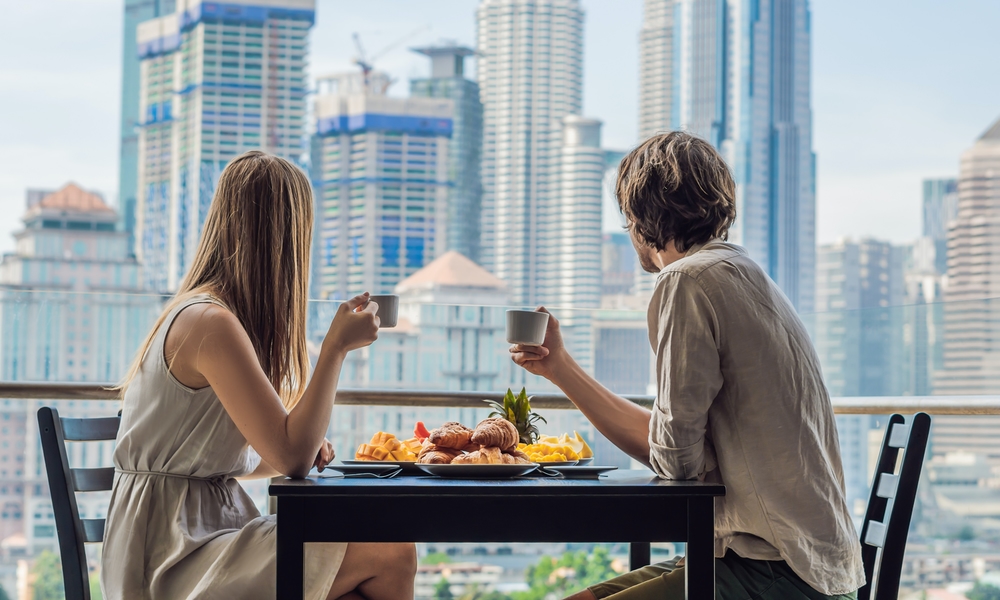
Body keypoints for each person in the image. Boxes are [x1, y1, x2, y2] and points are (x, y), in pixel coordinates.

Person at [510, 132, 865, 600]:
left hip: (776, 573)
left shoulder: (686, 281)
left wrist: (567, 375)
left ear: (638, 216)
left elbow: (675, 461)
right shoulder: (738, 271)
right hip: (793, 560)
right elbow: (675, 445)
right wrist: (560, 368)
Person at [101, 151, 416, 600]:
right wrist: (335, 348)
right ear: (284, 240)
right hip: (171, 559)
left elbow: (246, 455)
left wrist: (302, 446)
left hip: (191, 537)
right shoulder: (210, 323)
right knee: (391, 550)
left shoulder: (212, 317)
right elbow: (292, 458)